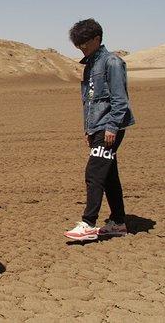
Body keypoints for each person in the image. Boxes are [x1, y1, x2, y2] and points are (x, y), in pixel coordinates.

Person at [64, 18, 135, 241]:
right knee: (109, 175)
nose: (82, 48)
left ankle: (88, 223)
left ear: (97, 39)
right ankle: (118, 222)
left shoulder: (112, 62)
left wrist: (111, 127)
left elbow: (120, 100)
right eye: (78, 45)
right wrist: (89, 130)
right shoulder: (91, 65)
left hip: (109, 127)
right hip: (98, 127)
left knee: (94, 173)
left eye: (84, 44)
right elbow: (90, 101)